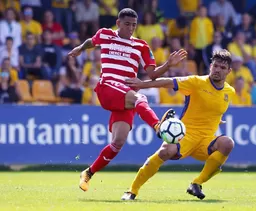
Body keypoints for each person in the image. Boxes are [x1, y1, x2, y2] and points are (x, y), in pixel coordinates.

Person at [67, 8, 187, 192]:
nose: (131, 28)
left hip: (126, 95)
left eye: (134, 25)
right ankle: (158, 127)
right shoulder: (106, 34)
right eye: (127, 24)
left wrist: (168, 65)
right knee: (141, 97)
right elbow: (91, 41)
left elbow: (152, 74)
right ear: (118, 23)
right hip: (108, 87)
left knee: (118, 142)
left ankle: (88, 173)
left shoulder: (141, 46)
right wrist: (79, 48)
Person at [121, 49, 235, 200]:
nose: (218, 70)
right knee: (164, 152)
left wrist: (216, 118)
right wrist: (142, 84)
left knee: (228, 143)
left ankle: (196, 183)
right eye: (215, 66)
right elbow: (168, 83)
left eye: (222, 68)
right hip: (185, 135)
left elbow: (214, 108)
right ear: (210, 66)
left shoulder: (230, 91)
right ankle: (132, 190)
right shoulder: (196, 82)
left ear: (229, 71)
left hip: (206, 140)